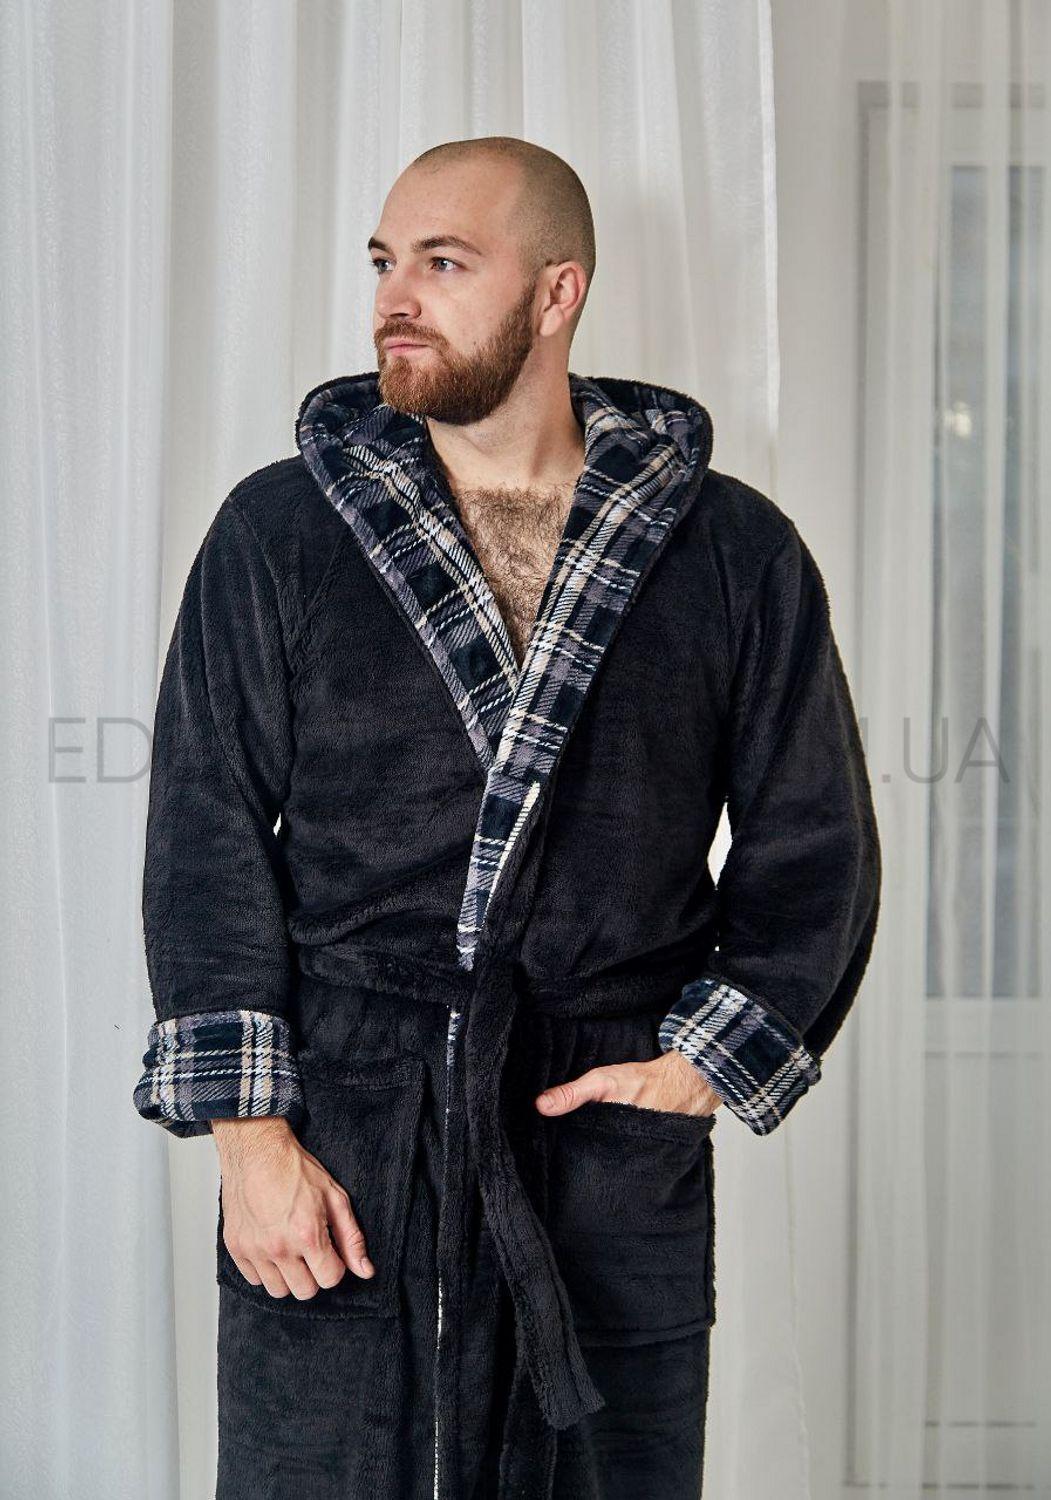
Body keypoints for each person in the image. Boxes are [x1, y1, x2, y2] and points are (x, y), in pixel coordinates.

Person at [132, 135, 881, 1500]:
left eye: (444, 262)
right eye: (383, 260)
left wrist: (699, 1065)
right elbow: (205, 832)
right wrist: (251, 1139)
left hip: (595, 1130)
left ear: (556, 293)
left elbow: (814, 839)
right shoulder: (280, 533)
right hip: (350, 1132)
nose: (393, 297)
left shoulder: (731, 550)